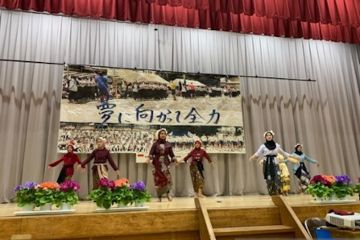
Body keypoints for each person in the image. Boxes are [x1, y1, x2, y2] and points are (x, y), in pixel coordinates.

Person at [249, 130, 298, 195]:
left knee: (277, 177)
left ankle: (278, 192)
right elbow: (257, 154)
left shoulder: (277, 145)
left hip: (275, 163)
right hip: (267, 164)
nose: (269, 136)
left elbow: (284, 153)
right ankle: (272, 194)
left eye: (270, 135)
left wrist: (294, 156)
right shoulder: (263, 146)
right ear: (265, 137)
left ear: (272, 136)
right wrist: (252, 158)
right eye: (267, 135)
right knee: (269, 180)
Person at [147, 129, 176, 202]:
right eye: (161, 134)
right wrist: (148, 158)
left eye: (164, 134)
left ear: (166, 135)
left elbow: (172, 155)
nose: (163, 135)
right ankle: (159, 197)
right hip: (157, 165)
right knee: (158, 180)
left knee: (166, 179)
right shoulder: (155, 144)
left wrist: (175, 160)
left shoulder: (168, 144)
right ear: (159, 135)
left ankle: (168, 195)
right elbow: (151, 153)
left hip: (165, 165)